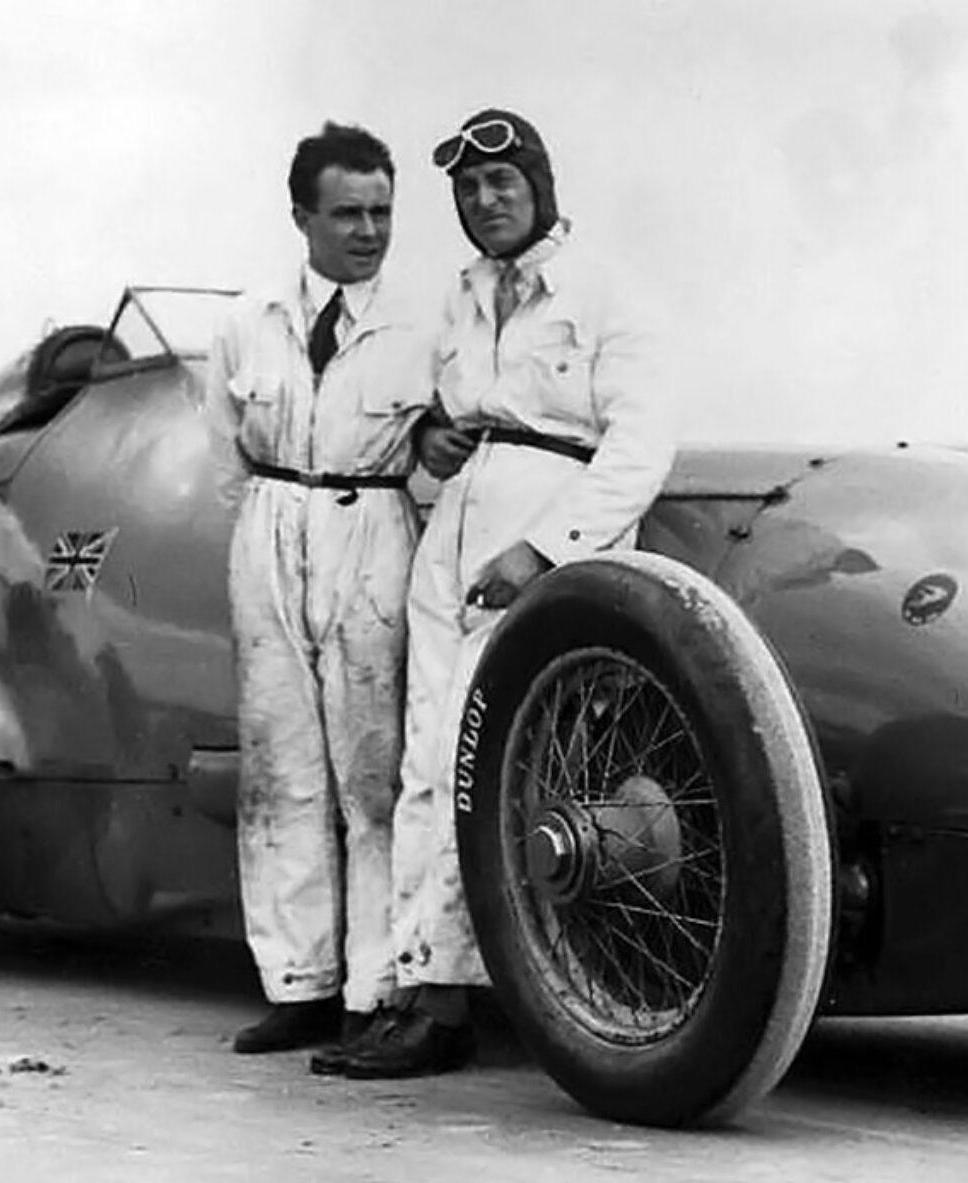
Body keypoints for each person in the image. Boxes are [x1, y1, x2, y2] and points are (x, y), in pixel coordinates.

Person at [337, 108, 677, 1079]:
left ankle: (476, 996)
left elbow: (639, 446)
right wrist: (429, 440)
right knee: (422, 759)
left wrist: (545, 549)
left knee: (485, 760)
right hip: (453, 536)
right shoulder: (458, 298)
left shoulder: (606, 293)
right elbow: (431, 409)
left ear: (540, 186)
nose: (485, 201)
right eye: (468, 189)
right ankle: (421, 987)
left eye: (502, 183)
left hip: (542, 535)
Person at [204, 122, 435, 1071]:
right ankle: (297, 983)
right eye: (347, 213)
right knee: (281, 765)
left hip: (372, 527)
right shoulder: (247, 321)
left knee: (373, 774)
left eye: (382, 212)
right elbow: (224, 441)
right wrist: (271, 527)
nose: (368, 231)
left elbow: (443, 439)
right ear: (302, 216)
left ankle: (376, 991)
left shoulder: (424, 327)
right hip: (270, 526)